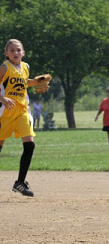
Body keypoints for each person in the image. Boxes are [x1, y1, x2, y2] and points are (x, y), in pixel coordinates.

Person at [0, 39, 50, 197]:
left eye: (18, 50)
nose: (16, 53)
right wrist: (2, 99)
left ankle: (20, 183)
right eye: (12, 50)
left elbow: (22, 83)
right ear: (6, 53)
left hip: (21, 110)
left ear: (23, 53)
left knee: (30, 145)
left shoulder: (25, 67)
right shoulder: (4, 67)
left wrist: (35, 82)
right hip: (4, 111)